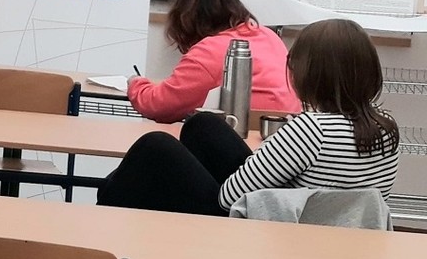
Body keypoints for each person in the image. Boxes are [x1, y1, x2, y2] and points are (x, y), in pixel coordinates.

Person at [99, 18, 400, 217]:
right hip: (326, 228)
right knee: (203, 126)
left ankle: (106, 213)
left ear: (308, 74)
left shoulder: (311, 130)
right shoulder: (386, 128)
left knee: (156, 147)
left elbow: (229, 197)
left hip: (270, 235)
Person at [128, 0, 301, 123]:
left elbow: (160, 106)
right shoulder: (268, 36)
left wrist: (135, 83)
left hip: (242, 137)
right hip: (281, 134)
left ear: (185, 18)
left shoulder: (209, 51)